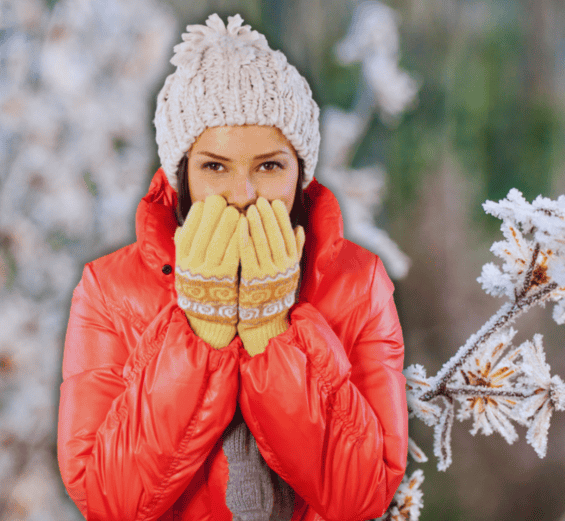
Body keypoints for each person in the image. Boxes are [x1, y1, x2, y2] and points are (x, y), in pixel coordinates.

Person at [56, 13, 407, 521]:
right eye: (215, 166)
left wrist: (272, 333)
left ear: (299, 171)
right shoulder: (109, 290)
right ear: (182, 174)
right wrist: (201, 329)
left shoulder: (358, 283)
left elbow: (360, 495)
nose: (242, 196)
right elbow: (110, 501)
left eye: (269, 166)